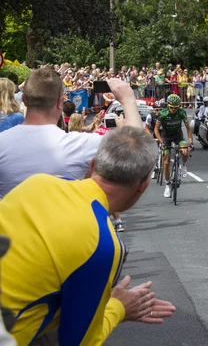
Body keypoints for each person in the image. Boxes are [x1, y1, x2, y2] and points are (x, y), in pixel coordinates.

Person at [0, 127, 176, 345]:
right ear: (143, 185)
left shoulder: (36, 183)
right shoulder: (103, 246)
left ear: (93, 166)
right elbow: (79, 341)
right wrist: (119, 307)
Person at [0, 69, 142, 200]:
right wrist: (128, 100)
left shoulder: (2, 143)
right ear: (60, 102)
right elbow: (136, 152)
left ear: (24, 100)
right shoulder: (78, 144)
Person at [154, 94, 193, 198]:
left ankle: (183, 165)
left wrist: (191, 142)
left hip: (177, 135)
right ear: (168, 106)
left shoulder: (181, 112)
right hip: (166, 137)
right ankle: (167, 184)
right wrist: (161, 142)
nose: (174, 110)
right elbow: (156, 129)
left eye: (176, 107)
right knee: (166, 162)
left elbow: (188, 128)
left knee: (185, 151)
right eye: (172, 107)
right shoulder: (163, 113)